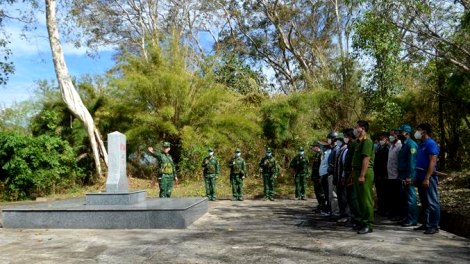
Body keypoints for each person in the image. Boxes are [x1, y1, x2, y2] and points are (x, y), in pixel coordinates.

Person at [414, 123, 441, 234]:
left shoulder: (431, 144)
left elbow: (432, 161)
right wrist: (416, 177)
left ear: (424, 131)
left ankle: (434, 225)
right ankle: (426, 223)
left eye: (418, 130)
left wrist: (427, 177)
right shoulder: (421, 144)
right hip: (419, 175)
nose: (417, 132)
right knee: (424, 202)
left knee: (432, 201)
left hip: (428, 176)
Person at [352, 120, 375, 234]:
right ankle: (363, 221)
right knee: (360, 199)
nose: (355, 130)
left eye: (357, 127)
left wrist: (362, 175)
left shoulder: (367, 141)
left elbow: (366, 159)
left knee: (366, 199)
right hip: (358, 171)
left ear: (363, 128)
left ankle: (368, 224)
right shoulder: (359, 141)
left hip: (364, 172)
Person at [396, 124, 419, 227]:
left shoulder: (411, 145)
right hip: (402, 175)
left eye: (400, 132)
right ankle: (406, 217)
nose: (398, 134)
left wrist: (410, 177)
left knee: (410, 198)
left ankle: (412, 219)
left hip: (407, 175)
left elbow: (411, 163)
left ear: (406, 133)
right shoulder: (404, 144)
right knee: (404, 198)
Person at [343, 128, 361, 229]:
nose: (344, 138)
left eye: (345, 136)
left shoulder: (354, 145)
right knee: (350, 198)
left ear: (349, 136)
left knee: (354, 199)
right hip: (348, 173)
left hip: (352, 174)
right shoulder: (350, 145)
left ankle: (357, 219)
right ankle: (354, 218)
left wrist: (351, 176)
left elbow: (354, 163)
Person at [387, 129, 403, 221]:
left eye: (392, 135)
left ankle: (398, 214)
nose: (390, 136)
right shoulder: (391, 146)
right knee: (392, 196)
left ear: (397, 135)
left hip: (396, 175)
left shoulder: (399, 146)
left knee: (398, 197)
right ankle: (393, 213)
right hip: (390, 175)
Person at [333, 133, 350, 223]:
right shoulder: (340, 149)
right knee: (341, 197)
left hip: (343, 178)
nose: (339, 141)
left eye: (340, 139)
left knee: (344, 197)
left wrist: (343, 176)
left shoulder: (346, 149)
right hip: (338, 177)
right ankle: (342, 214)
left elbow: (345, 165)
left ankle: (346, 215)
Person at [374, 133, 390, 217]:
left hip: (384, 174)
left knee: (385, 193)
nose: (380, 141)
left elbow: (385, 163)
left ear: (386, 140)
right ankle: (382, 208)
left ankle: (386, 209)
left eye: (382, 139)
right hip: (378, 173)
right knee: (380, 192)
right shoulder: (380, 148)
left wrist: (384, 174)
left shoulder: (386, 149)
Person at [325, 131, 340, 215]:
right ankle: (333, 211)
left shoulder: (336, 149)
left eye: (330, 138)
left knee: (334, 195)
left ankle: (336, 212)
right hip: (330, 174)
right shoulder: (333, 149)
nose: (329, 140)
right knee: (331, 195)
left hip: (334, 174)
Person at [311, 141, 326, 213]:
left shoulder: (321, 154)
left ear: (318, 146)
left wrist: (321, 177)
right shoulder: (316, 154)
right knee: (317, 192)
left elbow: (322, 166)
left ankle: (323, 206)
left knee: (320, 192)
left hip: (319, 177)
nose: (313, 148)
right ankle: (320, 205)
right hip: (315, 177)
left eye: (314, 146)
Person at [319, 142, 332, 216]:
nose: (321, 146)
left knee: (328, 193)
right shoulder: (325, 153)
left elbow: (327, 165)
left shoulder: (329, 152)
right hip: (323, 175)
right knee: (326, 193)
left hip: (326, 175)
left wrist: (323, 175)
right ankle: (328, 208)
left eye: (322, 145)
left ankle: (329, 209)